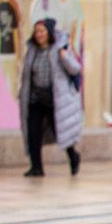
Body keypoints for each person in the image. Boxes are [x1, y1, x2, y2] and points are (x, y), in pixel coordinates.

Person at [18, 19, 82, 177]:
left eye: (42, 31)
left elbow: (75, 69)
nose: (39, 34)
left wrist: (65, 56)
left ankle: (73, 157)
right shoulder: (32, 50)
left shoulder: (60, 48)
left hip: (55, 99)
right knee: (33, 132)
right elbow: (27, 76)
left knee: (60, 130)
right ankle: (36, 167)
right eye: (37, 31)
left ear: (49, 33)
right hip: (35, 98)